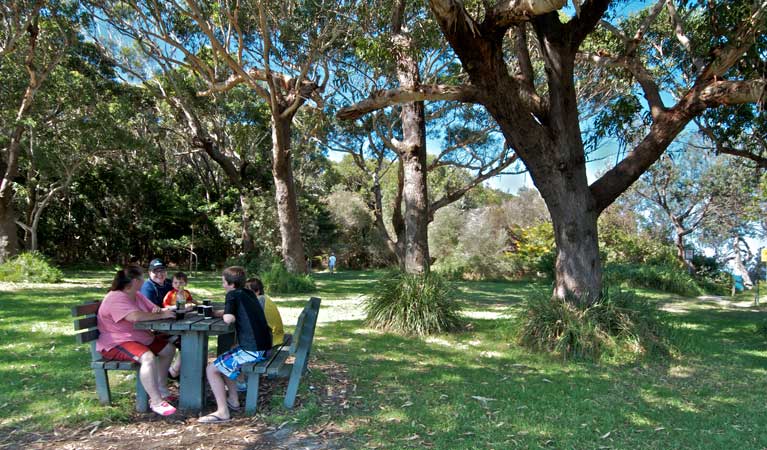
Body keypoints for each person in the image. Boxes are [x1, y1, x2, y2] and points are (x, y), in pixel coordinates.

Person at [96, 265, 178, 416]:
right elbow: (134, 316)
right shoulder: (116, 297)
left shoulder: (137, 294)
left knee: (168, 349)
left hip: (139, 337)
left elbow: (154, 309)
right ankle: (156, 401)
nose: (144, 280)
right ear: (134, 281)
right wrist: (160, 316)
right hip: (117, 342)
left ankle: (161, 388)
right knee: (148, 357)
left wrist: (159, 312)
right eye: (141, 278)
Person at [199, 266, 272, 424]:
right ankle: (233, 399)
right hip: (264, 346)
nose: (223, 285)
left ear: (231, 284)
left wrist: (224, 313)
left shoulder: (232, 294)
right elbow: (236, 312)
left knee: (211, 370)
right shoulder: (248, 293)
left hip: (253, 350)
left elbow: (229, 319)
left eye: (224, 282)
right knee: (225, 359)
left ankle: (222, 412)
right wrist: (217, 312)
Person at [245, 277, 286, 346]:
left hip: (271, 339)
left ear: (257, 291)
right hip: (275, 336)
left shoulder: (259, 300)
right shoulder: (264, 298)